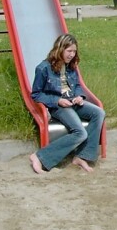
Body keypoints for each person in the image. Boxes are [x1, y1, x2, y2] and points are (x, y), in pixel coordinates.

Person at [28, 33, 105, 174]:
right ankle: (40, 157)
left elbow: (76, 86)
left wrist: (79, 96)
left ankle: (83, 156)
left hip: (72, 101)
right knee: (80, 133)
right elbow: (36, 94)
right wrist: (57, 100)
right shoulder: (43, 68)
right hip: (58, 105)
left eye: (74, 51)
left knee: (99, 112)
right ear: (60, 49)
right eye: (69, 51)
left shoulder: (71, 67)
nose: (71, 54)